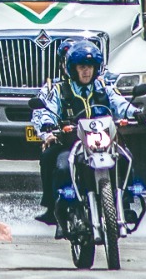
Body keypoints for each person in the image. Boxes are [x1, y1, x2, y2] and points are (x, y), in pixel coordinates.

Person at [30, 38, 138, 226]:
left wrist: (136, 112)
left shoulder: (104, 88)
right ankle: (55, 207)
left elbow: (120, 104)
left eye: (90, 66)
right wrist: (48, 127)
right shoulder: (58, 89)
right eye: (81, 66)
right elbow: (44, 110)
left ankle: (126, 202)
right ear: (71, 68)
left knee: (126, 158)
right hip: (72, 143)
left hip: (103, 141)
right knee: (59, 165)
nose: (86, 71)